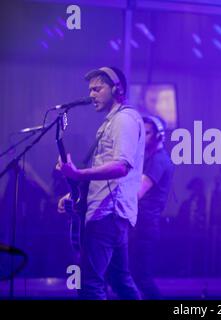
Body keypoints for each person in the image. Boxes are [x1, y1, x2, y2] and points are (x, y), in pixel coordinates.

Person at [57, 66, 145, 300]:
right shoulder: (113, 121)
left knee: (90, 285)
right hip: (110, 214)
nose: (92, 94)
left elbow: (121, 167)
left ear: (117, 90)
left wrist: (78, 174)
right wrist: (75, 194)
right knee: (120, 281)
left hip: (107, 214)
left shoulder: (123, 120)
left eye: (98, 89)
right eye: (90, 90)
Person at [130, 115, 174, 299]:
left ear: (158, 136)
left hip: (144, 226)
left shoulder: (158, 161)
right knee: (135, 277)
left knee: (142, 278)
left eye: (147, 133)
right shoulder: (151, 159)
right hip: (140, 225)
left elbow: (137, 193)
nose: (143, 137)